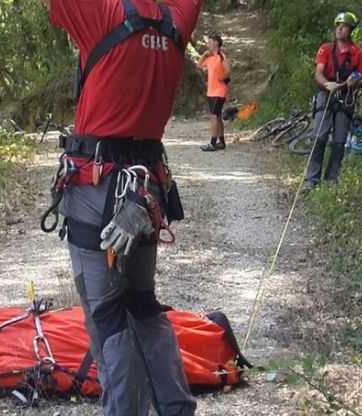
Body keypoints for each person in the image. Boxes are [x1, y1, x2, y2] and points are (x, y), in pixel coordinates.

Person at [40, 0, 202, 415]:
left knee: (107, 311)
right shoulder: (177, 18)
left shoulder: (103, 12)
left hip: (97, 187)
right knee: (143, 302)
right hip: (146, 188)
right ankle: (175, 408)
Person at [304, 12, 362, 189]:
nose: (339, 29)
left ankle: (332, 178)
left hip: (346, 96)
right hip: (326, 94)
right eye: (338, 25)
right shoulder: (326, 49)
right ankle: (311, 179)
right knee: (320, 136)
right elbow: (318, 72)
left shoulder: (358, 53)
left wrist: (356, 82)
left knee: (339, 140)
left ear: (350, 30)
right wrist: (327, 84)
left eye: (344, 26)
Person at [198, 34, 231, 151]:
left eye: (210, 42)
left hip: (219, 91)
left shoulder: (221, 56)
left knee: (213, 116)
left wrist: (222, 79)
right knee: (218, 116)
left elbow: (228, 70)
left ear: (216, 43)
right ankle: (221, 142)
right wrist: (204, 55)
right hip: (211, 91)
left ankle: (212, 143)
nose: (208, 44)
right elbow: (199, 65)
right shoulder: (210, 57)